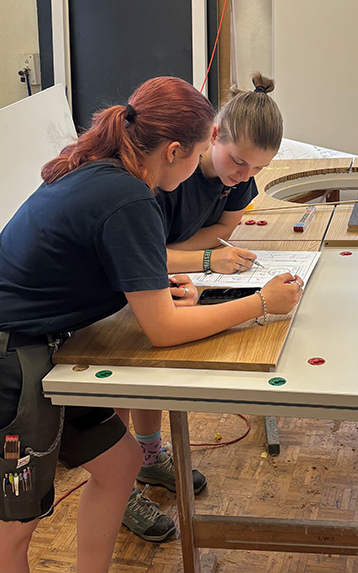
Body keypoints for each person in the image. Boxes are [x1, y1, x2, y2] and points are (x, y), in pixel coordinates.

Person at [0, 76, 303, 573]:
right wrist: (260, 303)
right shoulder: (128, 198)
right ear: (175, 151)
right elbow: (163, 330)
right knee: (8, 542)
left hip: (30, 354)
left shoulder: (111, 177)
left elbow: (133, 283)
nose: (198, 170)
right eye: (196, 157)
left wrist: (177, 287)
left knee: (122, 463)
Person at [122, 72, 285, 542]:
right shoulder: (158, 178)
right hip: (122, 286)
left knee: (156, 373)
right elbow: (147, 249)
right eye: (237, 162)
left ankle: (149, 460)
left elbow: (220, 232)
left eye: (255, 170)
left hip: (169, 277)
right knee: (121, 377)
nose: (242, 176)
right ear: (212, 136)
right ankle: (119, 479)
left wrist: (189, 259)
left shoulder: (238, 179)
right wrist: (204, 259)